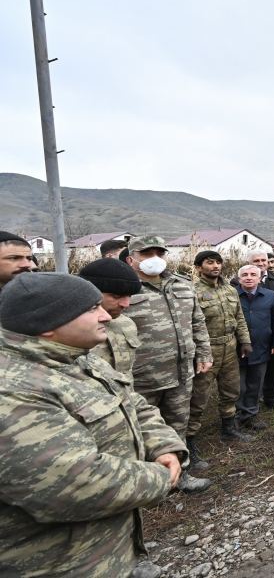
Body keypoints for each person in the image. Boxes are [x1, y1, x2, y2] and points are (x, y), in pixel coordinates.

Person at [0, 272, 186, 577]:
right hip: (58, 563)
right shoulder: (14, 390)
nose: (106, 317)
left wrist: (164, 445)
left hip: (104, 549)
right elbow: (71, 484)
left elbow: (133, 403)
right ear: (47, 325)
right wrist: (161, 478)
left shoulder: (78, 358)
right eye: (90, 310)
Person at [123, 236, 212, 492]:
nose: (154, 259)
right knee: (139, 429)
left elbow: (198, 322)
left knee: (177, 424)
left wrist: (204, 353)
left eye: (159, 253)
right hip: (141, 375)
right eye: (146, 253)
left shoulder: (182, 286)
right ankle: (146, 483)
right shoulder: (125, 288)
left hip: (181, 371)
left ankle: (180, 476)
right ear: (131, 259)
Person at [191, 250, 254, 443]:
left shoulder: (230, 290)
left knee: (230, 390)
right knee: (198, 397)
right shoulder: (191, 292)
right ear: (199, 267)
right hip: (206, 350)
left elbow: (239, 318)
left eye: (218, 262)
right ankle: (189, 439)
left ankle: (229, 429)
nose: (216, 266)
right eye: (210, 262)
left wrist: (245, 341)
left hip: (229, 347)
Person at [234, 264, 274, 431]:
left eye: (253, 274)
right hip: (237, 349)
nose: (249, 277)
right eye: (245, 274)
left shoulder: (270, 296)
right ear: (239, 278)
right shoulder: (232, 295)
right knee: (239, 386)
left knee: (255, 384)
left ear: (259, 277)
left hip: (262, 347)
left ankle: (250, 415)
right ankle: (236, 416)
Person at [80, 258, 143, 378]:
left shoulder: (126, 324)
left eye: (129, 296)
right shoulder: (66, 329)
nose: (126, 304)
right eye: (116, 296)